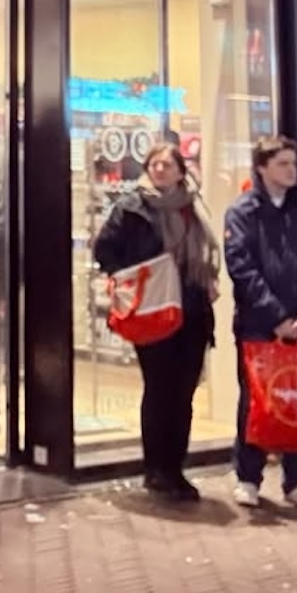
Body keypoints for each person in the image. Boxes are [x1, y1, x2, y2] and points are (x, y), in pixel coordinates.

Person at [93, 143, 221, 502]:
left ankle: (176, 468)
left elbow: (208, 251)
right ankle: (156, 470)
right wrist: (132, 278)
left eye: (167, 164)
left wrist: (209, 278)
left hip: (192, 308)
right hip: (153, 308)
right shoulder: (132, 206)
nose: (160, 170)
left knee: (184, 392)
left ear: (181, 171)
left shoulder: (194, 207)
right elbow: (105, 250)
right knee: (159, 388)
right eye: (154, 164)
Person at [225, 135, 297, 509]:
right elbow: (242, 267)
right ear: (262, 168)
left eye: (293, 163)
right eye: (282, 163)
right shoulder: (243, 212)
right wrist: (276, 316)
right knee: (256, 398)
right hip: (258, 324)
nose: (291, 170)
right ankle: (248, 477)